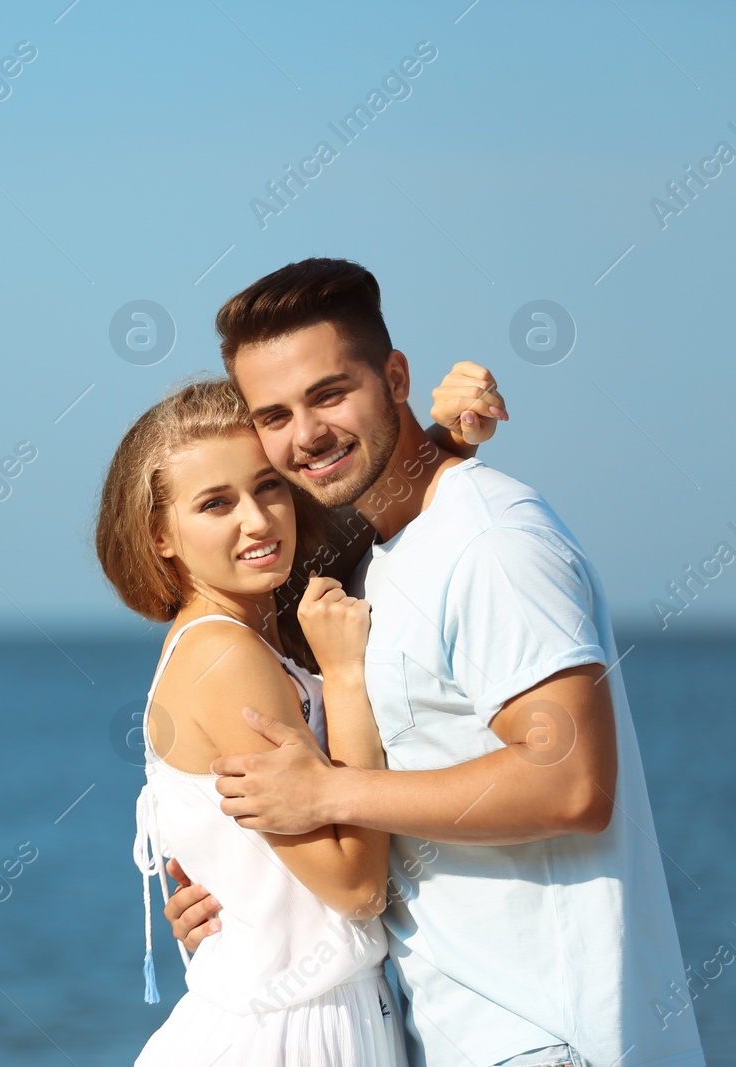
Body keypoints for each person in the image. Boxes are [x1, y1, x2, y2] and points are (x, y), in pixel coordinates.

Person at [163, 258, 704, 1067]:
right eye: (274, 414)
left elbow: (573, 782)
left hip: (552, 1039)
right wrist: (245, 892)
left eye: (330, 393)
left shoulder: (492, 542)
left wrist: (327, 790)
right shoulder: (381, 555)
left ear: (396, 375)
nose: (305, 434)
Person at [95, 365, 495, 1064]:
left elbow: (368, 510)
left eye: (268, 485)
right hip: (286, 1033)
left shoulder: (258, 627)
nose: (257, 519)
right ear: (160, 534)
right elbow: (357, 886)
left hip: (314, 1017)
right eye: (215, 504)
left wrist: (443, 437)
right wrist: (342, 675)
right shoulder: (225, 656)